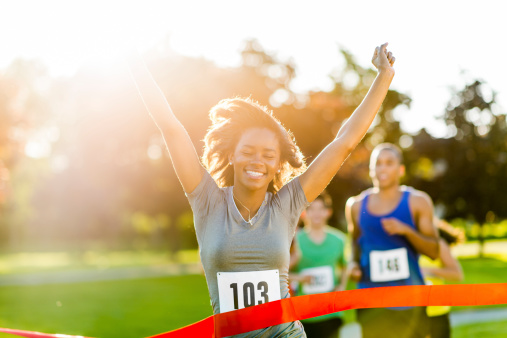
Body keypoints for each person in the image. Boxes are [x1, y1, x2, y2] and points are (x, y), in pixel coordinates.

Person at [127, 43, 395, 337]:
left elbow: (343, 142)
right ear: (232, 155)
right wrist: (133, 61)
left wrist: (384, 76)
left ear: (279, 163)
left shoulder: (287, 204)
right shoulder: (206, 200)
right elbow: (171, 128)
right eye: (249, 151)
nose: (258, 161)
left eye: (269, 155)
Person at [345, 143, 440, 338]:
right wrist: (354, 264)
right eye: (378, 164)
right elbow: (354, 244)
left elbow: (434, 251)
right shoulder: (355, 206)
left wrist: (407, 231)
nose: (383, 168)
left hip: (410, 300)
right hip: (370, 302)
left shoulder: (418, 202)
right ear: (371, 170)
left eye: (389, 163)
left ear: (401, 169)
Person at [290, 192, 348, 338]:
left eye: (320, 209)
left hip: (332, 312)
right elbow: (278, 273)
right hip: (304, 314)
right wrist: (299, 278)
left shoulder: (339, 239)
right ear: (304, 213)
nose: (316, 213)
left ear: (328, 212)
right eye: (311, 209)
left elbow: (346, 266)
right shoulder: (294, 241)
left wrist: (342, 286)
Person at [419, 219, 464, 338]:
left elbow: (457, 275)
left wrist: (428, 271)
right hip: (411, 313)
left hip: (436, 311)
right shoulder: (403, 242)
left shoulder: (438, 244)